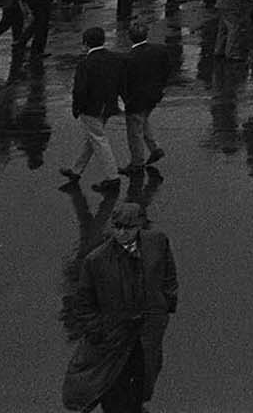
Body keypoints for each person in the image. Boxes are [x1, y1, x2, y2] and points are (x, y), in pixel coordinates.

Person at [64, 201, 178, 413]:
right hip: (116, 332)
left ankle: (136, 406)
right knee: (114, 380)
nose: (122, 233)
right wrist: (98, 331)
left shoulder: (157, 242)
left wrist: (166, 302)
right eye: (117, 227)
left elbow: (168, 272)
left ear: (139, 226)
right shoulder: (96, 260)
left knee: (145, 371)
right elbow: (84, 302)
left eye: (128, 227)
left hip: (147, 327)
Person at [61, 26, 123, 190]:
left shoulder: (85, 64)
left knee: (98, 140)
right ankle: (76, 169)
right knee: (93, 138)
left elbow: (80, 90)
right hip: (108, 105)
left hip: (91, 108)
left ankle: (112, 177)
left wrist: (76, 108)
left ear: (86, 44)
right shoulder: (114, 58)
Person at [120, 24, 170, 171]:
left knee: (134, 131)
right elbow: (166, 70)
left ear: (130, 38)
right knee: (143, 120)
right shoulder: (160, 50)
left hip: (136, 99)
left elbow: (125, 82)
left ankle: (137, 162)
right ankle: (154, 148)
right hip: (154, 95)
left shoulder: (129, 58)